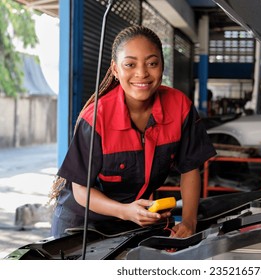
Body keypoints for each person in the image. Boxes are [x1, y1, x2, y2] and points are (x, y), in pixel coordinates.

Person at [49, 25, 216, 239]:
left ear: (162, 66)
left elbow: (190, 169)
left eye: (152, 63)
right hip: (81, 223)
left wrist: (188, 222)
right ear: (116, 70)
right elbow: (81, 190)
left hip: (134, 219)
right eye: (130, 64)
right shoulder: (96, 118)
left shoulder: (180, 107)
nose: (142, 73)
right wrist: (125, 211)